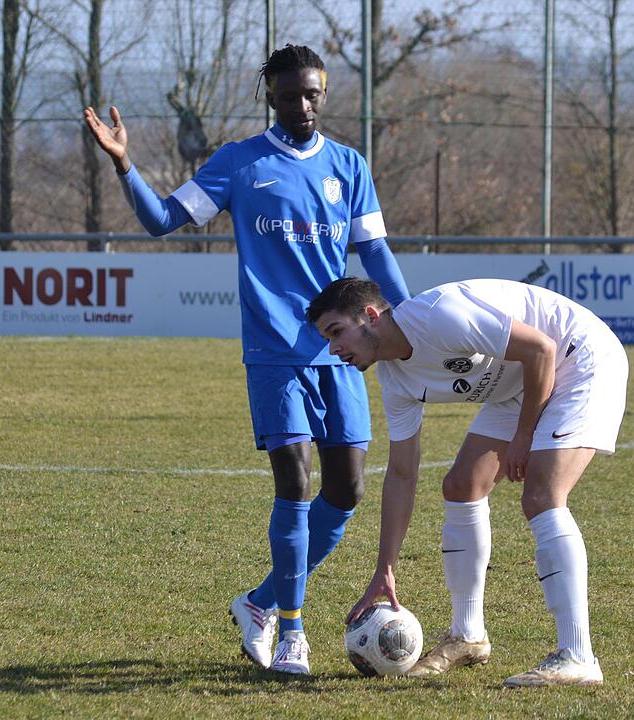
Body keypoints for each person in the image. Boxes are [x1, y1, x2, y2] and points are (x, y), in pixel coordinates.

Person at [83, 45, 410, 676]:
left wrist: (413, 317)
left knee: (346, 491)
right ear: (271, 99)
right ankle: (292, 631)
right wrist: (125, 164)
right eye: (290, 96)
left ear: (323, 93)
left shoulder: (349, 165)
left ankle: (258, 603)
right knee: (296, 483)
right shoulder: (240, 162)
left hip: (340, 349)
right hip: (273, 350)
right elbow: (162, 220)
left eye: (312, 94)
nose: (302, 105)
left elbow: (375, 254)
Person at [308, 277, 628, 688]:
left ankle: (578, 655)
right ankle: (467, 636)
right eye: (327, 339)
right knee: (462, 485)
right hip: (519, 381)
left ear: (370, 316)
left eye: (336, 332)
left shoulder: (440, 316)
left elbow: (541, 349)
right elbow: (402, 473)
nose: (334, 348)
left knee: (542, 496)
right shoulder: (394, 380)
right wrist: (384, 569)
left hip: (579, 356)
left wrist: (524, 437)